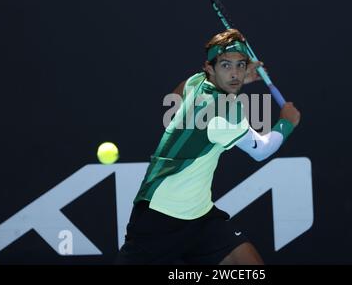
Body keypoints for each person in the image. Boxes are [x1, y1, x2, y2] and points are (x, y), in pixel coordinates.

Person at [115, 29, 301, 265]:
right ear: (210, 68)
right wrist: (286, 122)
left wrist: (231, 80)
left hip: (199, 215)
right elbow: (261, 150)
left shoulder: (196, 82)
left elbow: (177, 93)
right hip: (159, 218)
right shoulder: (224, 111)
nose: (234, 74)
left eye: (240, 66)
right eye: (225, 66)